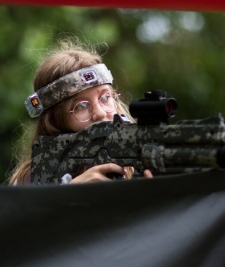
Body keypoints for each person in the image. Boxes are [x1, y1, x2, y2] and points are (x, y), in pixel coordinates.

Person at [8, 40, 152, 185]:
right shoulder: (29, 182)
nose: (100, 113)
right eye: (81, 106)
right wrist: (69, 194)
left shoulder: (137, 163)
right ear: (55, 121)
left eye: (105, 97)